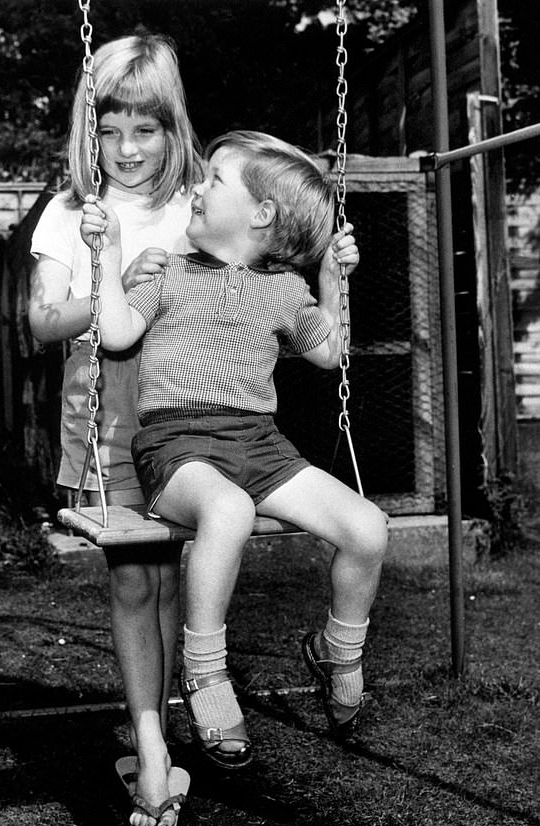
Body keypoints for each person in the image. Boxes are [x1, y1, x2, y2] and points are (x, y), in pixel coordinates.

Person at [80, 130, 388, 774]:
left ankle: (339, 649)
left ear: (261, 214)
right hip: (177, 444)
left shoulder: (282, 290)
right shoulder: (165, 270)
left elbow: (330, 352)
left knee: (368, 527)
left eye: (214, 180)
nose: (196, 187)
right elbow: (114, 333)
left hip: (258, 443)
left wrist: (333, 281)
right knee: (228, 511)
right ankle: (204, 670)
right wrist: (105, 257)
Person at [29, 32, 203, 826]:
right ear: (87, 131)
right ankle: (149, 743)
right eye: (110, 130)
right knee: (136, 581)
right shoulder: (73, 211)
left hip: (190, 417)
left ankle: (159, 725)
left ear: (172, 129)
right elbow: (41, 320)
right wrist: (108, 283)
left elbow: (254, 268)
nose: (128, 149)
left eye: (146, 129)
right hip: (106, 419)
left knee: (169, 582)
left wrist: (324, 269)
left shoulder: (197, 201)